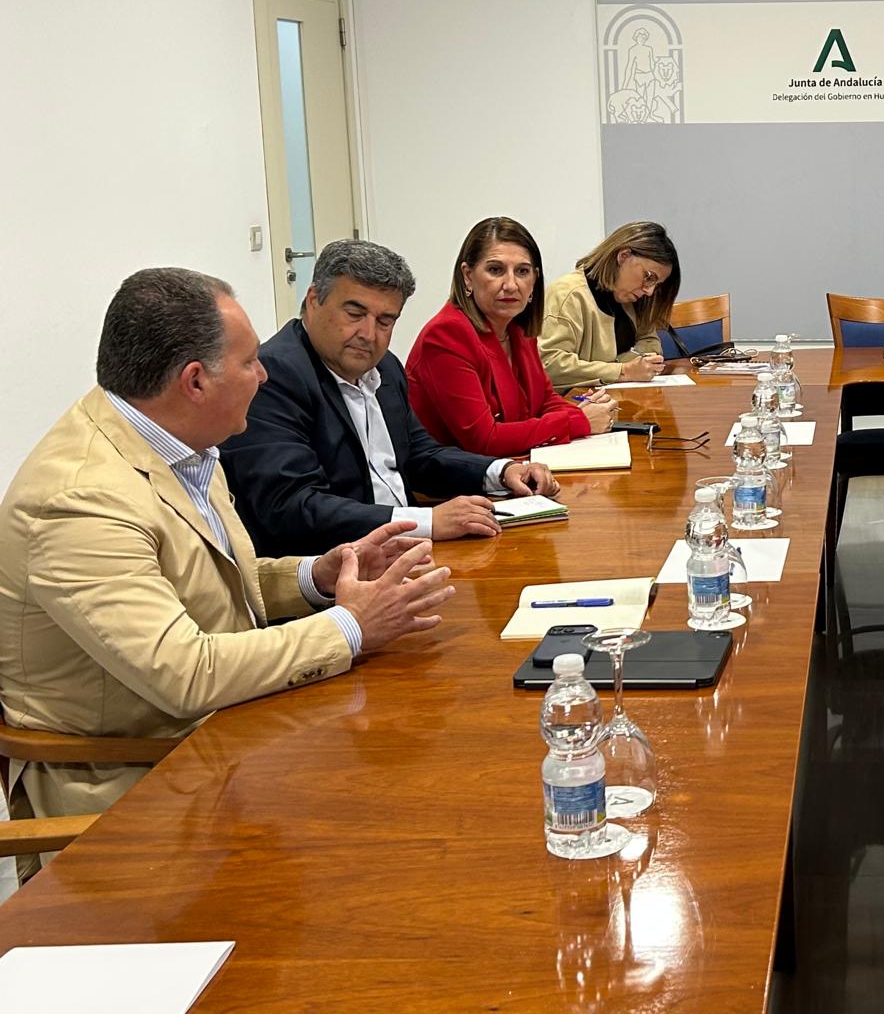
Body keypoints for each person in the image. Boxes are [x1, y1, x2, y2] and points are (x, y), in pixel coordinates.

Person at [0, 268, 454, 865]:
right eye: (249, 363)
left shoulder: (181, 442)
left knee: (415, 791)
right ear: (194, 381)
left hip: (226, 739)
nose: (264, 375)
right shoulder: (79, 501)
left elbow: (212, 584)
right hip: (135, 795)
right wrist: (353, 626)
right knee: (400, 834)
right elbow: (185, 673)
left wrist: (318, 576)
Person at [221, 241, 558, 558]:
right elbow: (292, 506)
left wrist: (502, 470)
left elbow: (420, 455)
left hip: (407, 553)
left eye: (385, 321)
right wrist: (426, 522)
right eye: (354, 314)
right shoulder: (274, 377)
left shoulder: (384, 367)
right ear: (313, 300)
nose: (369, 334)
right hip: (335, 570)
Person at [406, 217, 619, 455]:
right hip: (456, 476)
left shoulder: (517, 328)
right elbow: (485, 440)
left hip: (514, 465)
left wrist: (587, 412)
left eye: (522, 272)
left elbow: (545, 401)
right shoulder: (446, 335)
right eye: (495, 270)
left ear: (534, 279)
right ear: (467, 275)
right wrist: (579, 421)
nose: (511, 284)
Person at [540, 221, 681, 390]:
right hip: (572, 401)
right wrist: (622, 371)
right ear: (623, 256)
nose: (650, 291)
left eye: (656, 284)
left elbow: (649, 342)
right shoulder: (567, 295)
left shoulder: (634, 298)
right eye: (649, 277)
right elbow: (549, 365)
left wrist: (623, 367)